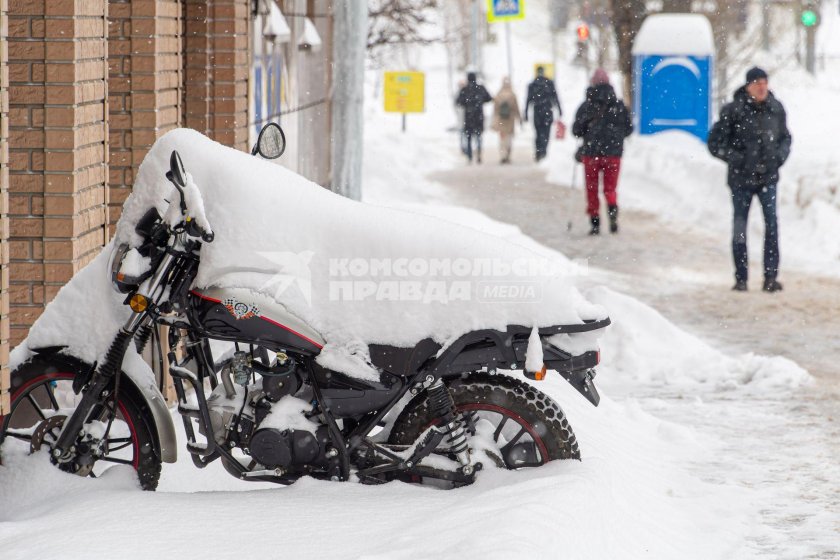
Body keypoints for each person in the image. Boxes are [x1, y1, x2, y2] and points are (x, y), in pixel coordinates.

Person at [707, 66, 791, 292]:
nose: (762, 87)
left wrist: (778, 158)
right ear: (748, 86)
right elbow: (714, 143)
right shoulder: (733, 111)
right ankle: (741, 278)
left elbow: (785, 138)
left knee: (772, 226)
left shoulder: (776, 108)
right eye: (757, 83)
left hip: (768, 178)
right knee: (740, 228)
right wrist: (736, 159)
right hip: (741, 180)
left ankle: (770, 278)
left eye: (765, 82)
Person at [572, 68, 633, 235]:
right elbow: (628, 129)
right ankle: (612, 213)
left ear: (592, 83)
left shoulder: (587, 106)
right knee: (610, 188)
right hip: (613, 154)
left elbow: (576, 130)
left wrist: (588, 130)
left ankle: (595, 223)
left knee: (592, 188)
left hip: (591, 154)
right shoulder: (619, 106)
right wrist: (614, 136)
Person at [524, 66, 562, 161]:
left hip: (537, 111)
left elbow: (528, 100)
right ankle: (543, 151)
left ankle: (539, 150)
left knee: (538, 132)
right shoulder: (549, 83)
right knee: (546, 132)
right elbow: (555, 97)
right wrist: (559, 109)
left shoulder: (533, 84)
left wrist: (525, 112)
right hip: (547, 111)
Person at [455, 71, 492, 163]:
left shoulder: (464, 89)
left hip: (468, 117)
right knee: (479, 137)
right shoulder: (480, 88)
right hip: (478, 117)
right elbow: (489, 98)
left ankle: (470, 156)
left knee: (469, 138)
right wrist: (480, 102)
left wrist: (467, 104)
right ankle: (479, 153)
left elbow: (458, 102)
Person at [491, 77, 521, 164]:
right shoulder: (512, 94)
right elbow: (516, 107)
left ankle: (502, 155)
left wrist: (495, 118)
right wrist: (519, 117)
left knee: (502, 138)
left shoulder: (498, 94)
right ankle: (507, 154)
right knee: (509, 138)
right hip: (510, 119)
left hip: (501, 119)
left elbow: (495, 108)